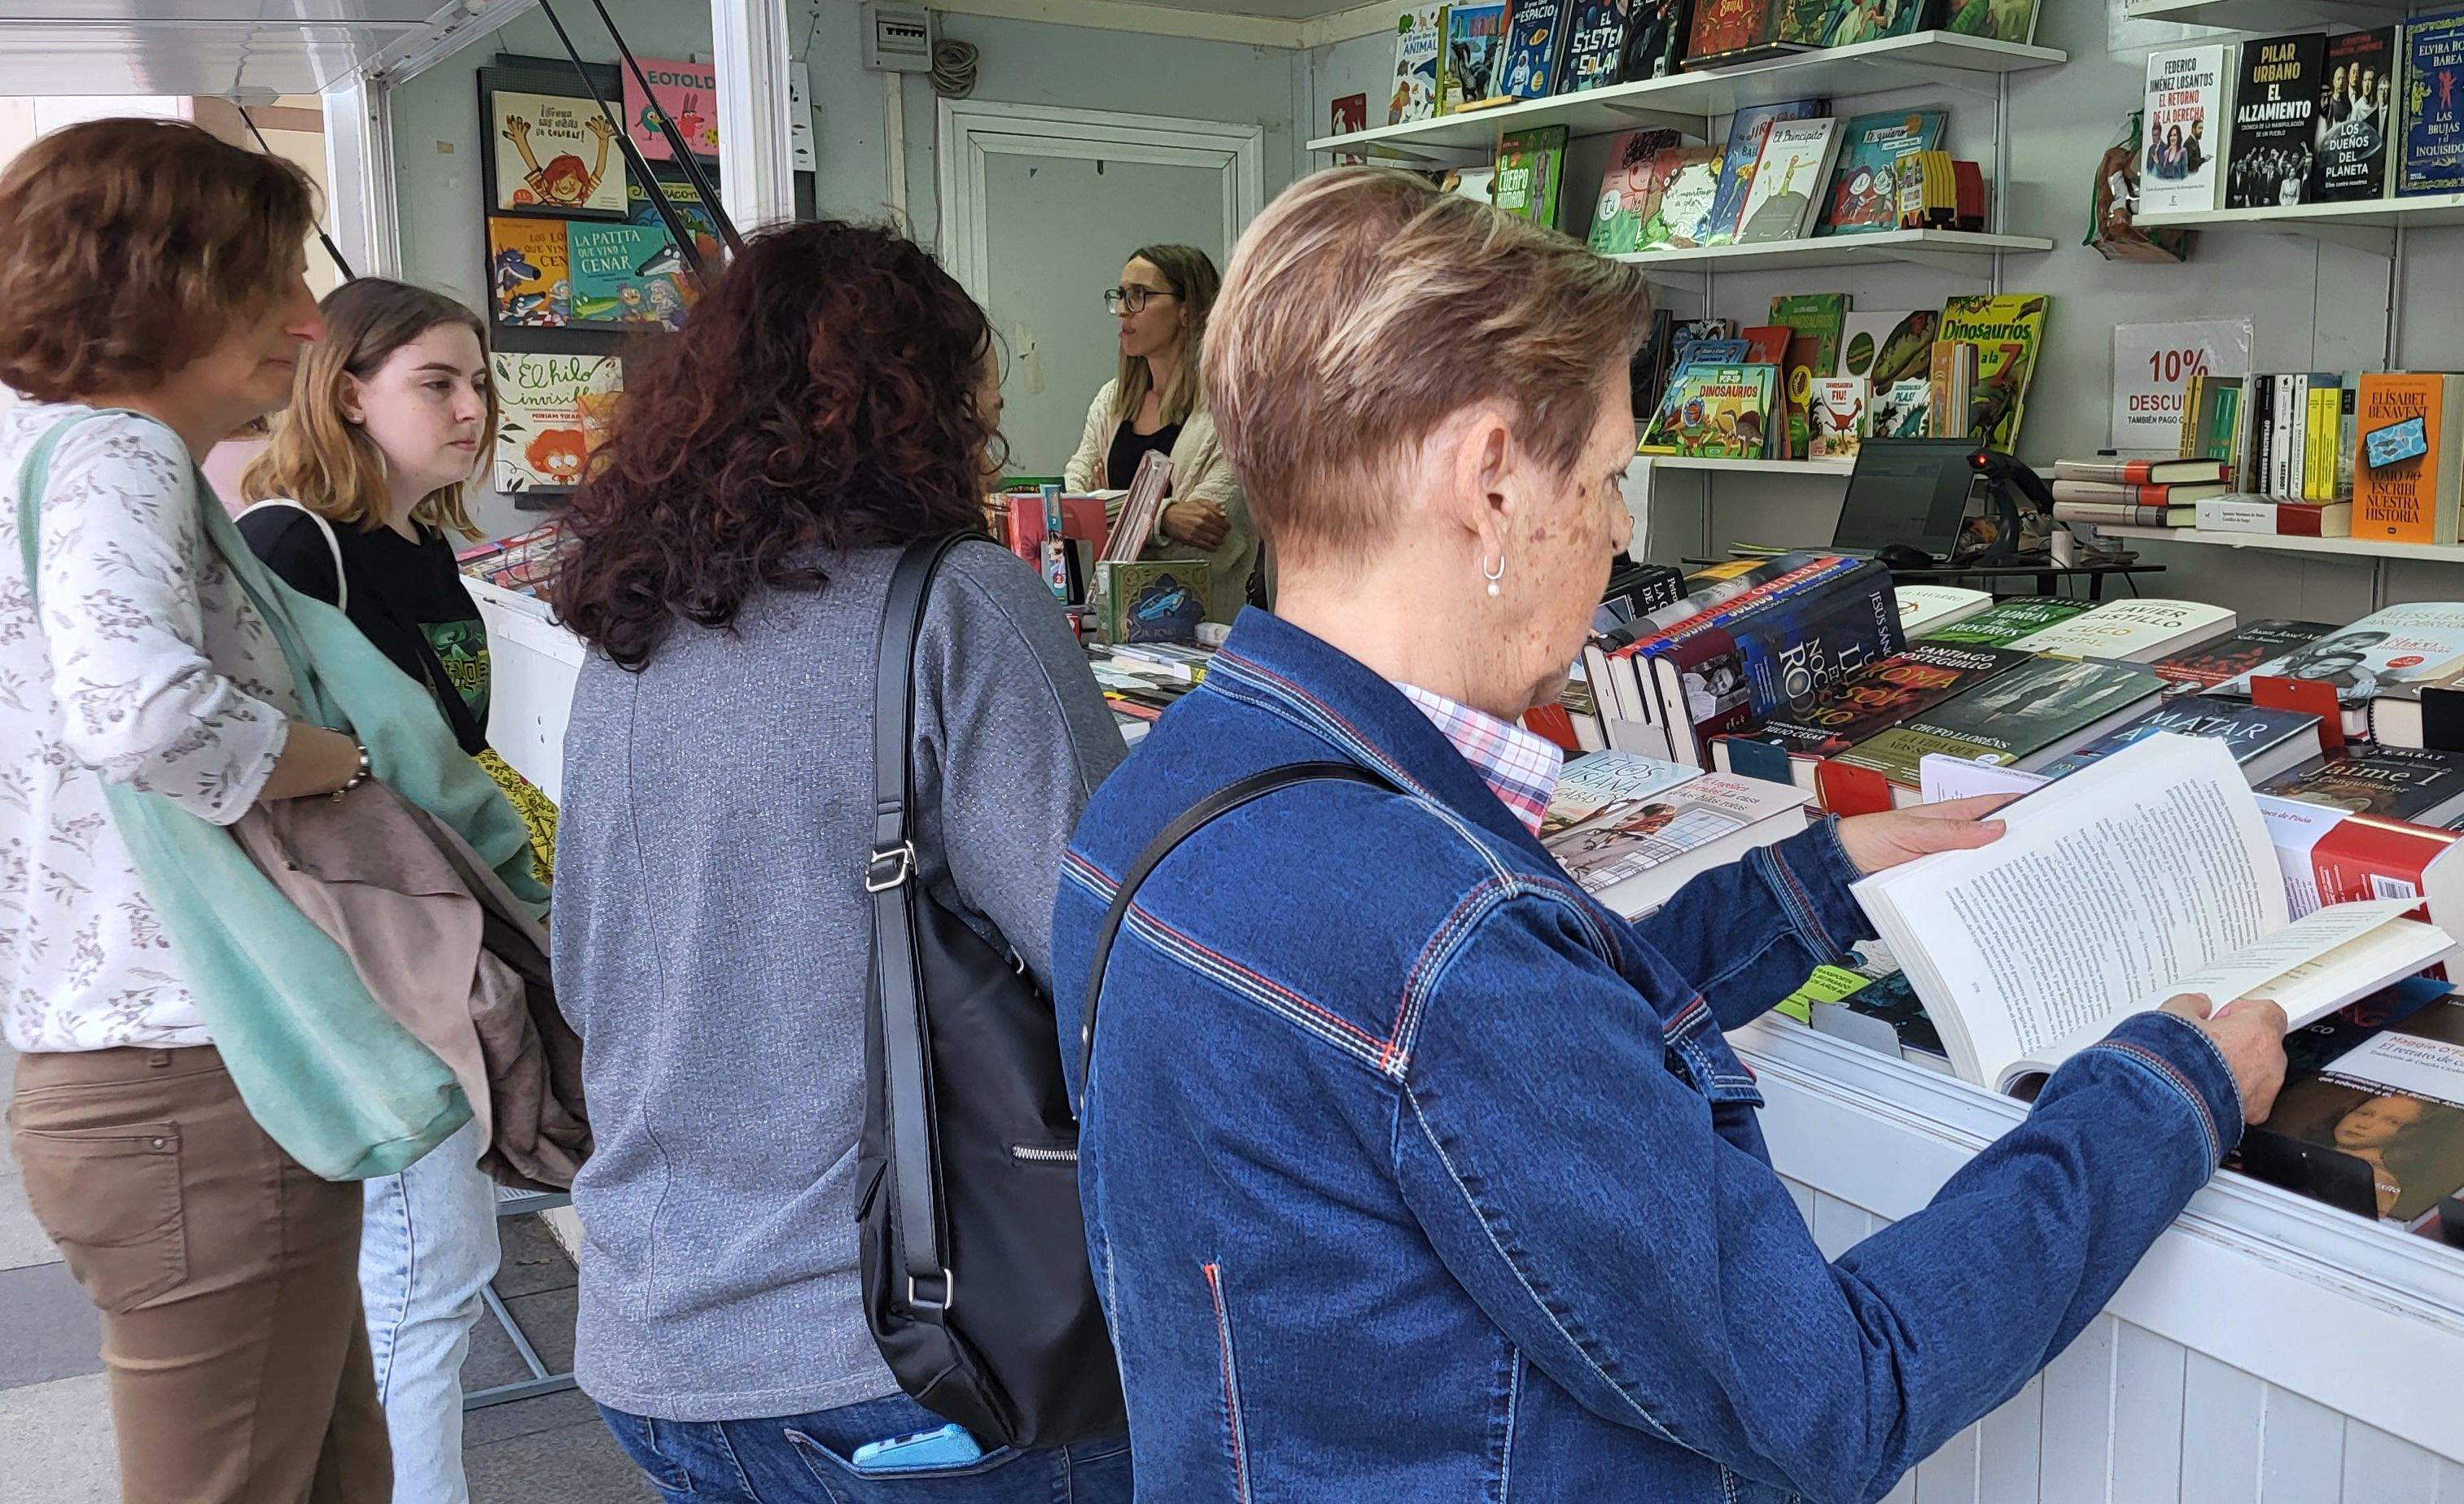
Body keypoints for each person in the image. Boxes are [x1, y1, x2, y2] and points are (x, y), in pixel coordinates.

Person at [1053, 167, 2289, 1502]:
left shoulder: (1151, 798)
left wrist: (1813, 883)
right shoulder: (1445, 945)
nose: (1620, 530)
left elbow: (1494, 1065)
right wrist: (2163, 1092)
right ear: (1490, 478)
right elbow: (1832, 1392)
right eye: (1606, 474)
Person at [548, 220, 1130, 1500]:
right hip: (914, 1349)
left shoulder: (627, 631)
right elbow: (1118, 960)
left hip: (653, 1336)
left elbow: (588, 975)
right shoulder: (958, 604)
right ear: (918, 401)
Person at [0, 116, 389, 1502]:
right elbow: (144, 711)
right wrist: (329, 757)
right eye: (268, 280)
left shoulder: (40, 453)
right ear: (153, 284)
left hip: (136, 1067)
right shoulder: (117, 455)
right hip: (189, 1074)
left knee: (330, 1458)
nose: (303, 320)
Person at [234, 276, 506, 1504]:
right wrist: (354, 764)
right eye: (436, 381)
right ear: (348, 393)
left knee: (428, 1267)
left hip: (430, 936)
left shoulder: (417, 542)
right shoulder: (295, 545)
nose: (474, 407)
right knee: (421, 1271)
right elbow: (229, 752)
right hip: (369, 957)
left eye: (481, 380)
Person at [1061, 244, 1261, 621]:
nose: (1122, 309)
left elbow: (1200, 554)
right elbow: (1072, 514)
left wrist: (1105, 509)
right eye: (1120, 296)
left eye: (1139, 296)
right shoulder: (1111, 401)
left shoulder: (1231, 410)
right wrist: (1164, 517)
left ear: (1187, 310)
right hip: (1108, 633)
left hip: (1198, 637)